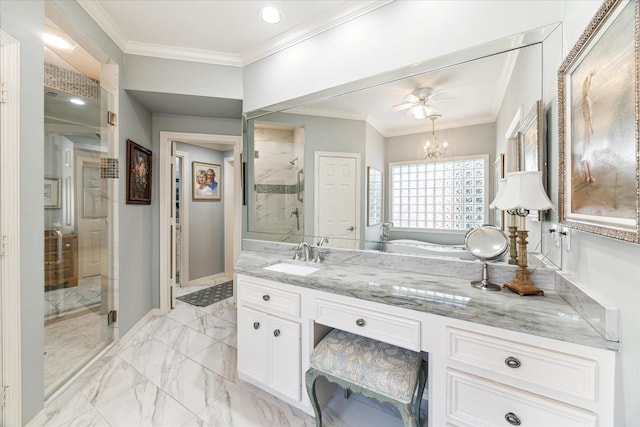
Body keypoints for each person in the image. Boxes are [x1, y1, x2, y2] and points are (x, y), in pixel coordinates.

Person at [581, 72, 596, 184]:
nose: (588, 88)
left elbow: (588, 87)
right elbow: (589, 116)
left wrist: (589, 77)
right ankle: (589, 177)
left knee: (587, 151)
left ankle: (588, 176)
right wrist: (591, 128)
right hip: (587, 127)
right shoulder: (586, 99)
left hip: (586, 127)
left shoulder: (585, 98)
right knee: (588, 152)